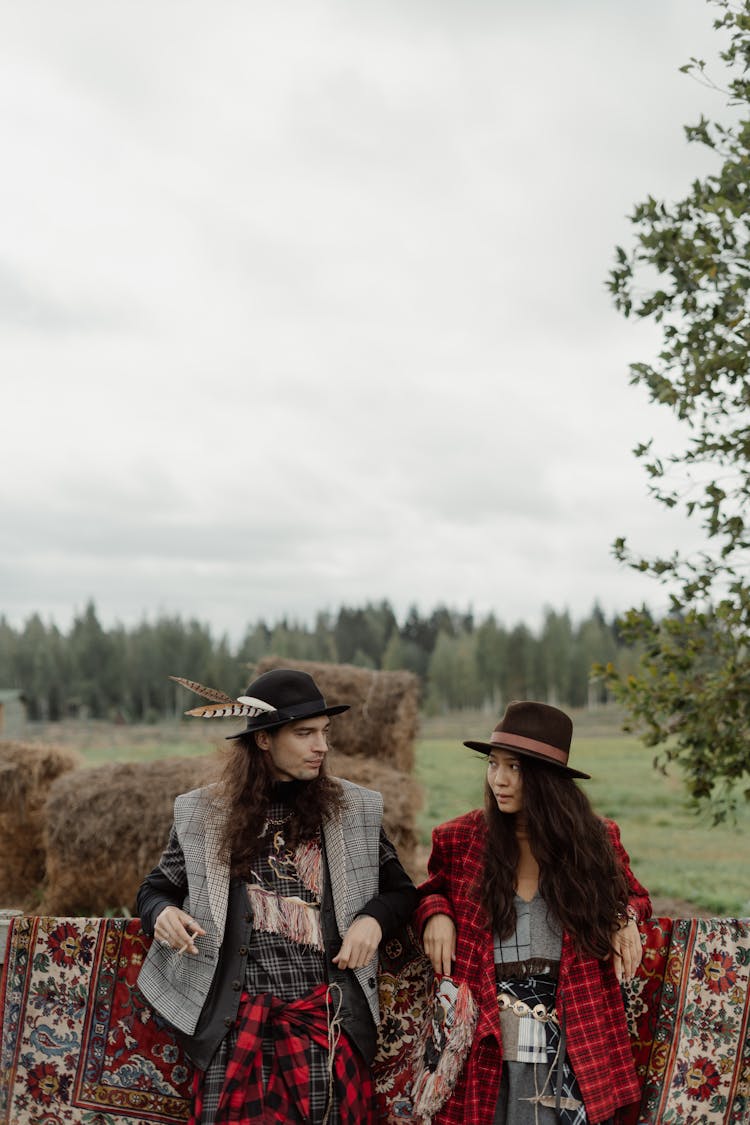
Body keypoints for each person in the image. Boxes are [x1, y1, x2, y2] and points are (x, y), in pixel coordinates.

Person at [137, 667, 417, 1125]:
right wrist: (162, 912)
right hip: (237, 1031)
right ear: (264, 740)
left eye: (324, 732)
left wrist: (373, 919)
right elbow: (156, 889)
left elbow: (400, 891)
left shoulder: (355, 809)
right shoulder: (202, 813)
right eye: (305, 733)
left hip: (327, 1026)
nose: (321, 746)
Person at [415, 701, 651, 1125]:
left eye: (516, 768)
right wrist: (436, 914)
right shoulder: (460, 838)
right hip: (486, 1043)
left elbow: (635, 897)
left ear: (546, 780)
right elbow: (430, 891)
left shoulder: (593, 840)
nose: (499, 780)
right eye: (493, 764)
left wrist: (625, 917)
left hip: (574, 1043)